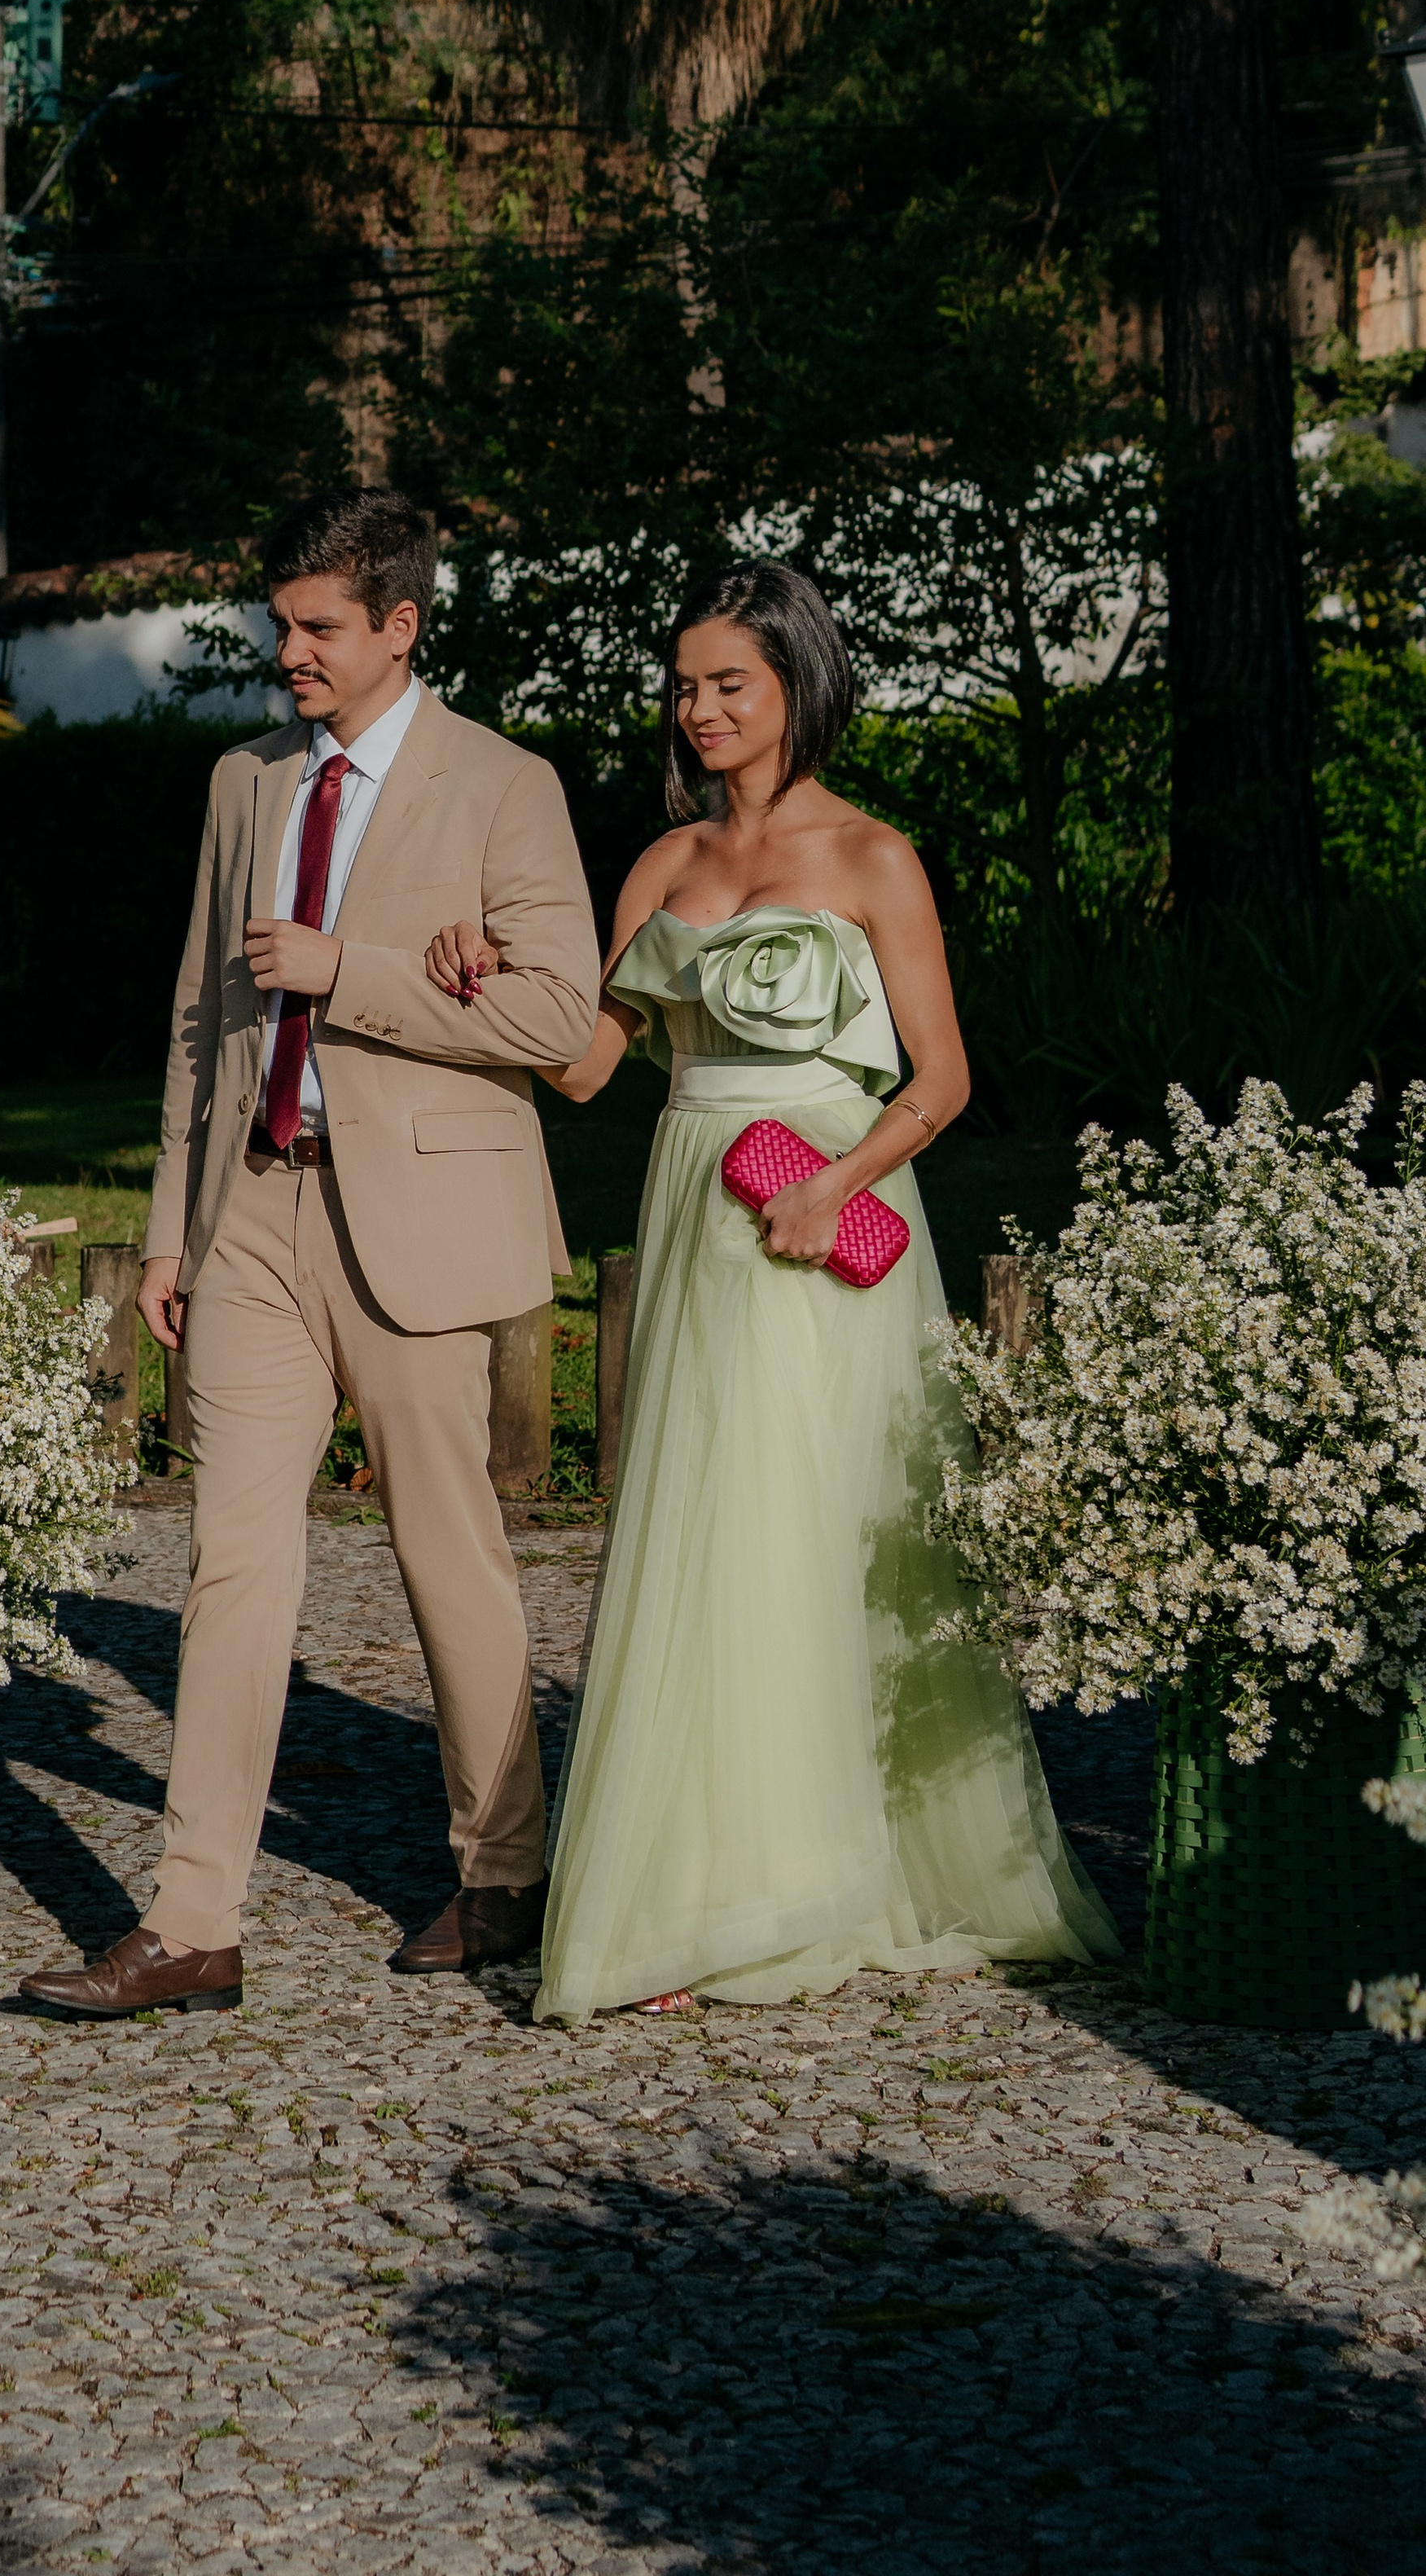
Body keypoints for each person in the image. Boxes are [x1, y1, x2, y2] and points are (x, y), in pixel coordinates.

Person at [423, 563, 1117, 2020]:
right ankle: (695, 1896)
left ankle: (826, 1873)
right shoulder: (663, 865)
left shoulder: (874, 857)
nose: (702, 708)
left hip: (828, 1207)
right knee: (700, 1524)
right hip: (696, 1194)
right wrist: (486, 977)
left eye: (730, 681)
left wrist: (834, 1182)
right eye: (685, 684)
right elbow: (588, 1064)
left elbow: (945, 1080)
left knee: (819, 1524)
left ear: (798, 680)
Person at [15, 488, 603, 2024]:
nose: (289, 651)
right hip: (255, 1211)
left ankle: (505, 1870)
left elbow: (559, 1018)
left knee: (446, 1552)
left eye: (319, 626)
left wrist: (364, 974)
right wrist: (170, 1224)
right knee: (228, 1562)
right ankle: (194, 1917)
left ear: (402, 626)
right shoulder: (243, 784)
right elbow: (196, 1019)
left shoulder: (506, 784)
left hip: (420, 1217)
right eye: (281, 623)